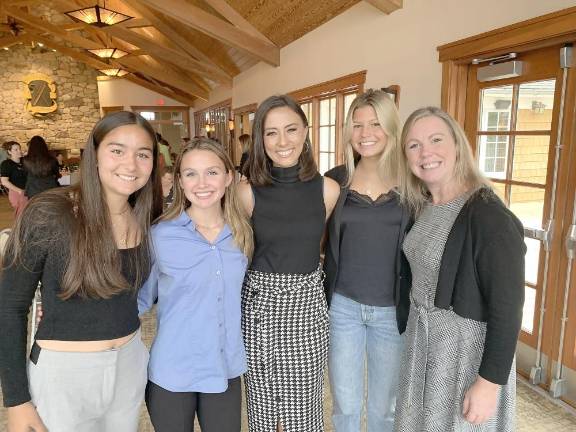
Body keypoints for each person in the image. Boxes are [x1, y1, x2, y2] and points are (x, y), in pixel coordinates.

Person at [0, 111, 163, 432]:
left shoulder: (144, 217)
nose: (130, 164)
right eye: (117, 150)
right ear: (95, 156)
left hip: (128, 366)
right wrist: (16, 400)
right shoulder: (51, 212)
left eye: (142, 154)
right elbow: (10, 307)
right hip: (64, 373)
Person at [393, 107, 525, 431]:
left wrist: (489, 383)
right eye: (414, 145)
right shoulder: (423, 205)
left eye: (436, 139)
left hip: (464, 355)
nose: (426, 152)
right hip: (423, 344)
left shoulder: (489, 217)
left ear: (457, 145)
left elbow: (508, 309)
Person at [238, 94, 340, 432]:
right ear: (260, 139)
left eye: (291, 129)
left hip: (307, 308)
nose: (283, 142)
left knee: (303, 410)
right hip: (259, 308)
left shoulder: (328, 189)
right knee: (265, 410)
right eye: (271, 133)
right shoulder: (246, 192)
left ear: (306, 131)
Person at [139, 138, 253, 432]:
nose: (202, 183)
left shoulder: (243, 235)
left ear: (229, 176)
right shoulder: (160, 235)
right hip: (172, 370)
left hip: (223, 367)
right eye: (191, 173)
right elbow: (137, 299)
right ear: (179, 180)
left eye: (212, 172)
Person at [323, 89, 410, 432]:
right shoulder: (336, 179)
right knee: (345, 403)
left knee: (384, 407)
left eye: (375, 123)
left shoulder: (412, 182)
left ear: (391, 127)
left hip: (391, 309)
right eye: (357, 125)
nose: (365, 133)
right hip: (342, 306)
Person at [0, 141, 28, 216]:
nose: (19, 151)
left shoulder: (24, 161)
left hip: (28, 191)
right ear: (9, 152)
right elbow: (4, 181)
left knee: (28, 214)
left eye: (19, 149)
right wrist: (19, 191)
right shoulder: (6, 164)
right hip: (17, 193)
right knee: (21, 215)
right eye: (16, 149)